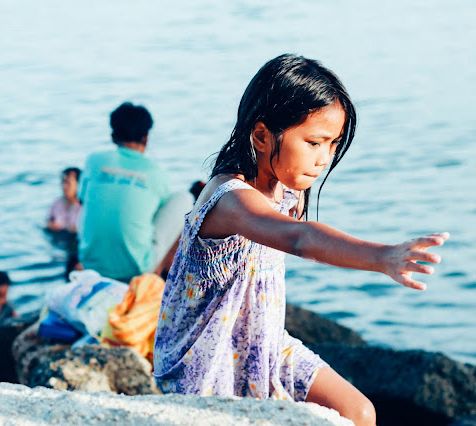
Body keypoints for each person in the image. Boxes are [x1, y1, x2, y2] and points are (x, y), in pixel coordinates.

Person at [152, 54, 449, 426]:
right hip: (208, 359)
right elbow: (299, 238)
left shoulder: (288, 190)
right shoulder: (230, 200)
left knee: (358, 412)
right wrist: (382, 257)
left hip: (266, 343)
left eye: (333, 144)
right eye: (314, 142)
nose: (324, 158)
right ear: (262, 136)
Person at [78, 102, 192, 283]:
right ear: (146, 138)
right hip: (136, 268)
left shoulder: (94, 161)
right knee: (185, 198)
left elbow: (81, 199)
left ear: (113, 137)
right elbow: (160, 215)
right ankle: (157, 274)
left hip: (90, 262)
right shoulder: (155, 171)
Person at [46, 167, 82, 233]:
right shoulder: (57, 203)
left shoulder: (83, 207)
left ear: (78, 184)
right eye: (63, 182)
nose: (64, 186)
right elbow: (48, 223)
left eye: (68, 183)